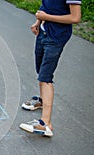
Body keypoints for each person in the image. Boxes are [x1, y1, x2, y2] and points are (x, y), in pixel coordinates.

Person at [20, 0, 81, 137]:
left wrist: (46, 18)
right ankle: (42, 101)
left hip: (56, 36)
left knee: (45, 77)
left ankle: (45, 124)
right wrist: (38, 22)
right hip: (43, 32)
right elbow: (46, 6)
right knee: (40, 69)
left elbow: (75, 18)